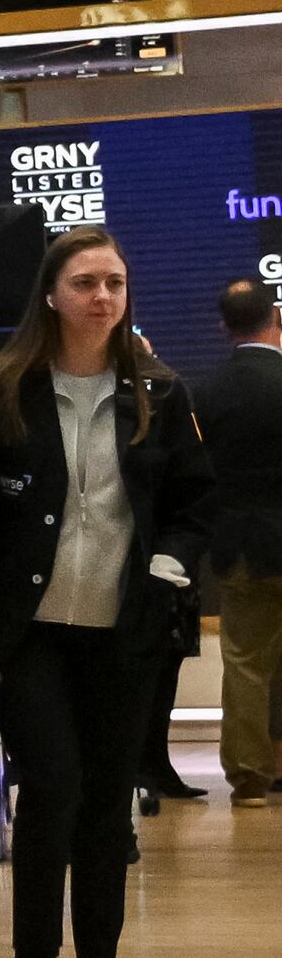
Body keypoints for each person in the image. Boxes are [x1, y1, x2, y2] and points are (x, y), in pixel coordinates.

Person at [0, 228, 212, 958]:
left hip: (123, 632)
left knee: (106, 803)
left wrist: (165, 571)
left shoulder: (160, 391)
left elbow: (196, 503)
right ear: (51, 295)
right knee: (52, 787)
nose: (103, 298)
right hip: (30, 637)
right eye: (86, 283)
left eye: (115, 284)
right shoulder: (1, 390)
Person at [196, 277, 282, 802]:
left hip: (239, 547)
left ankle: (251, 778)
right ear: (276, 319)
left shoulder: (207, 391)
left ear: (224, 327)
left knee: (247, 663)